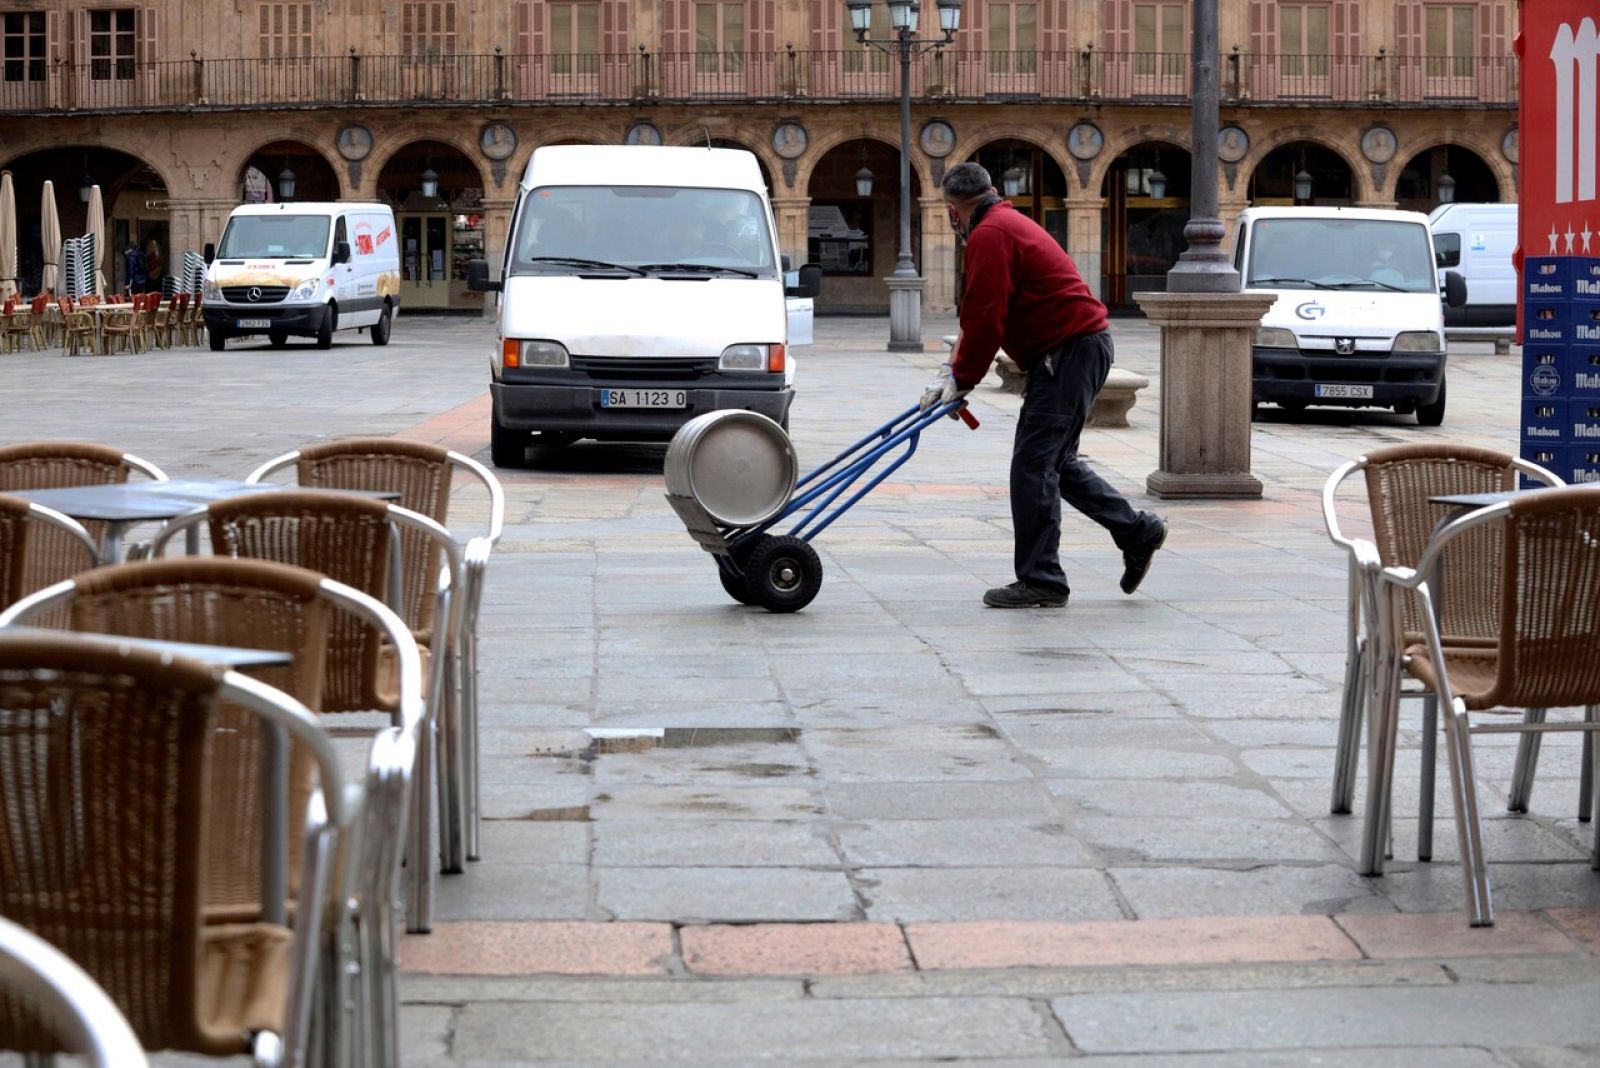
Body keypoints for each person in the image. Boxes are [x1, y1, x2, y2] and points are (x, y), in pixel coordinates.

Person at [922, 161, 1167, 608]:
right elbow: (984, 316)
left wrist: (961, 378)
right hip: (1077, 347)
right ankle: (1137, 531)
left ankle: (1043, 579)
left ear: (953, 210)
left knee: (1033, 466)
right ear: (992, 190)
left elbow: (985, 316)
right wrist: (954, 370)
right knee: (1056, 462)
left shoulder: (989, 234)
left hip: (1067, 351)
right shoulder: (1004, 222)